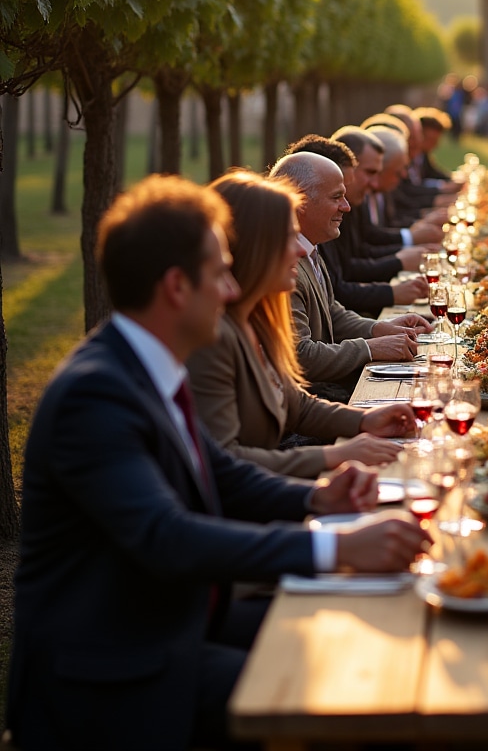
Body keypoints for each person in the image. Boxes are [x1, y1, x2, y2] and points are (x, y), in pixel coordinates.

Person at [8, 175, 427, 751]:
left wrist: (317, 498)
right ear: (177, 287)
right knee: (341, 682)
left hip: (174, 620)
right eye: (219, 273)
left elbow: (218, 472)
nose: (231, 289)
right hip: (116, 667)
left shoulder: (146, 362)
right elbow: (165, 535)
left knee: (364, 633)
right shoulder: (96, 394)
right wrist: (335, 548)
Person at [188, 171, 415, 477]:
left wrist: (363, 419)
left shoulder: (256, 315)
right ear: (254, 245)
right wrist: (334, 456)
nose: (300, 250)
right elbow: (226, 464)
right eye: (287, 238)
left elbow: (293, 402)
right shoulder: (215, 335)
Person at [267, 152, 429, 401]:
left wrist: (378, 329)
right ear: (299, 201)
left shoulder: (309, 245)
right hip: (312, 399)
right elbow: (300, 356)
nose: (347, 206)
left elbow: (331, 312)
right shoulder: (284, 265)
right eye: (336, 197)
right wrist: (370, 348)